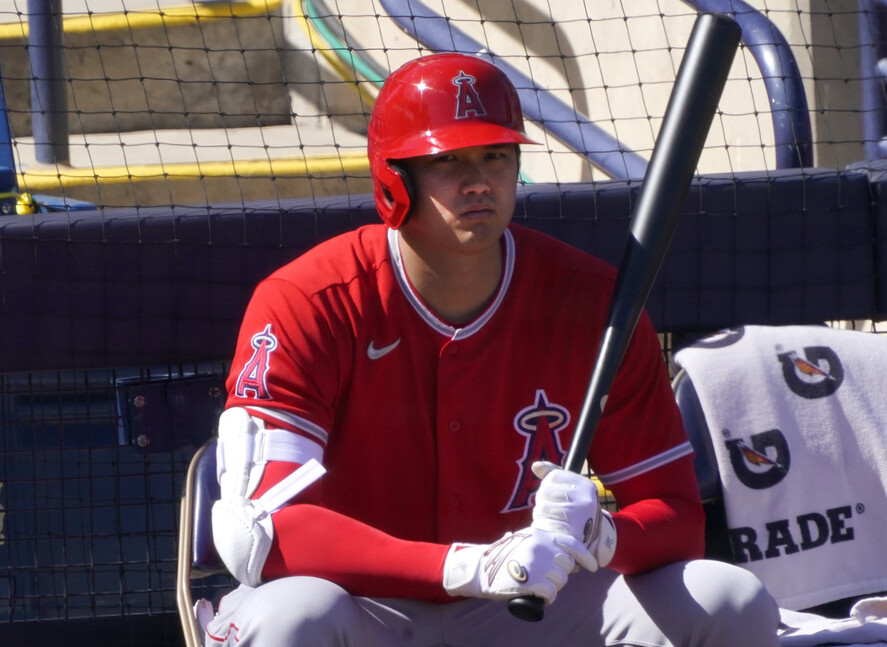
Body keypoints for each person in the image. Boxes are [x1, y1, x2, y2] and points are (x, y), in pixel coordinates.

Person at [203, 52, 781, 646]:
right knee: (287, 618)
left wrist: (604, 536)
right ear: (393, 178)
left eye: (495, 156)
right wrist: (467, 566)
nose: (478, 181)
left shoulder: (592, 302)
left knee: (729, 600)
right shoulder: (310, 300)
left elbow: (678, 516)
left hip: (526, 601)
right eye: (448, 161)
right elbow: (263, 535)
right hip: (362, 600)